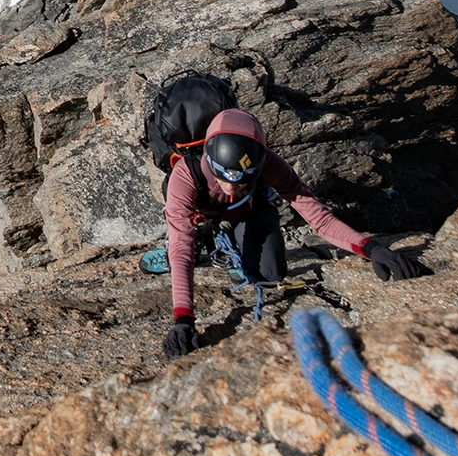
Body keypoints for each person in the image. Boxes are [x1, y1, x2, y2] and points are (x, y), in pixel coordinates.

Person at [161, 108, 426, 357]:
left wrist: (372, 248)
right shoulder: (186, 175)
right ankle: (207, 234)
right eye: (224, 179)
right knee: (182, 246)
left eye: (243, 180)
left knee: (269, 274)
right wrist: (184, 318)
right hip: (202, 211)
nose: (232, 186)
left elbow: (319, 219)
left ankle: (232, 237)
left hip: (248, 210)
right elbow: (181, 249)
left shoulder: (269, 165)